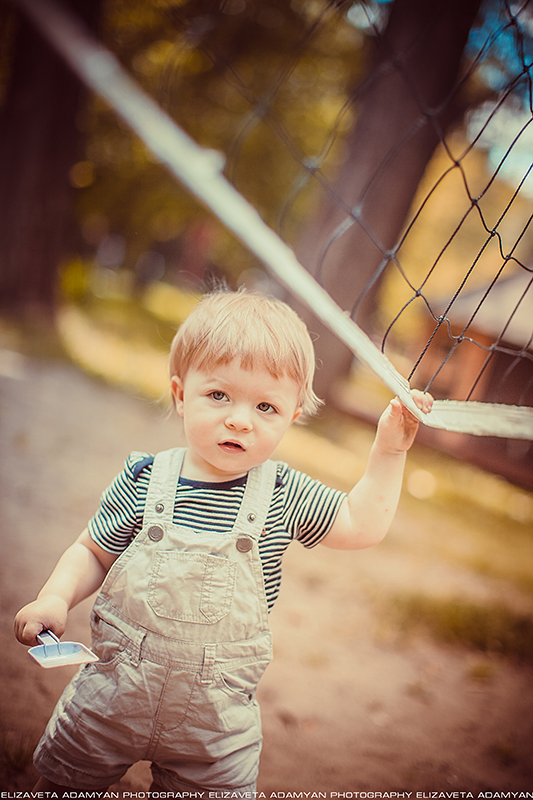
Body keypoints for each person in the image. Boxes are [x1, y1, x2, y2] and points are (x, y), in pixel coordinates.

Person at [14, 288, 433, 793]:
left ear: (293, 415)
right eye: (219, 395)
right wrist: (55, 597)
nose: (239, 418)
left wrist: (388, 450)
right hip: (111, 698)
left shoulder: (284, 494)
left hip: (214, 726)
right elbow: (93, 552)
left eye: (265, 406)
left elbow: (360, 524)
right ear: (179, 394)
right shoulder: (146, 479)